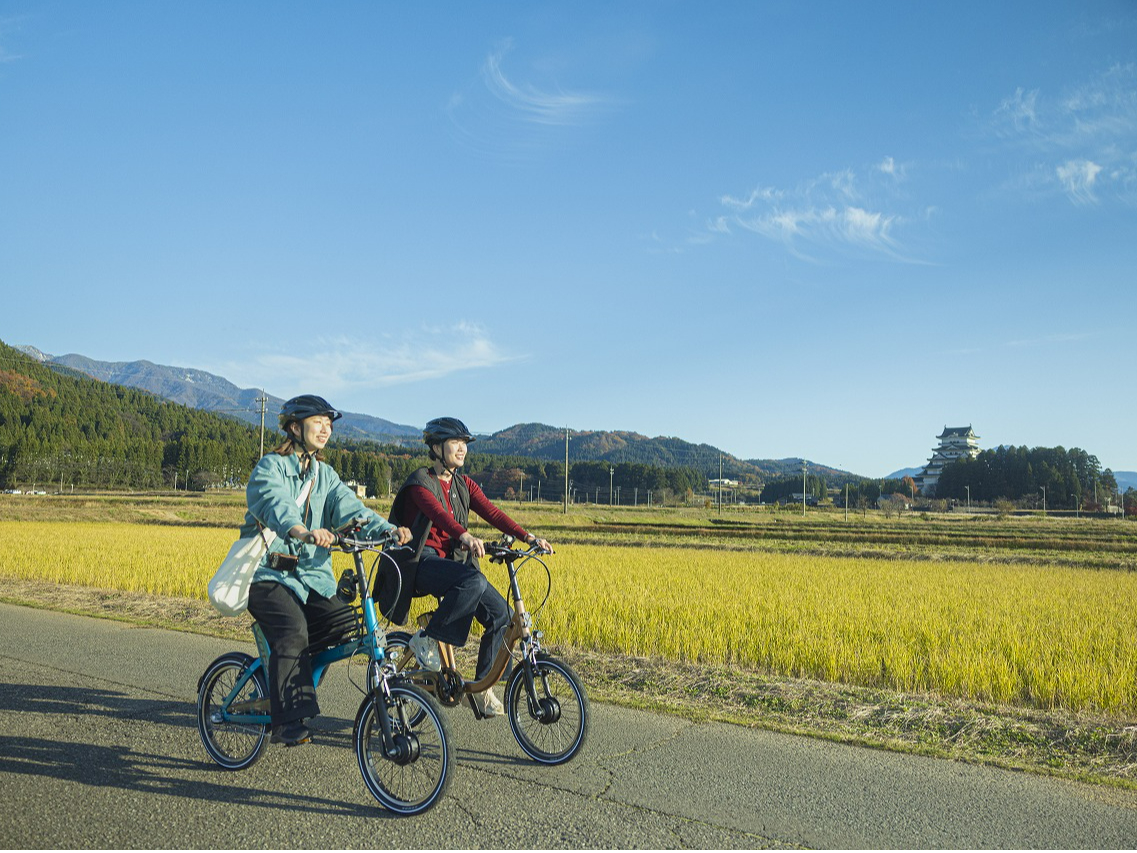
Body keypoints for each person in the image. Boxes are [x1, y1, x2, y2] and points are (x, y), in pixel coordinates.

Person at [243, 394, 411, 747]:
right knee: (293, 630)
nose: (326, 428)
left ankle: (295, 678)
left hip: (312, 579)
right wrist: (301, 531)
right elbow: (277, 504)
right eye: (318, 421)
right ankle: (287, 720)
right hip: (268, 576)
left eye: (329, 423)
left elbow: (352, 510)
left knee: (344, 624)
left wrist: (387, 530)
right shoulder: (270, 468)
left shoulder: (325, 475)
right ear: (294, 426)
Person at [378, 417, 551, 718]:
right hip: (421, 563)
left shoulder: (464, 484)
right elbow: (437, 513)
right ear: (436, 447)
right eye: (455, 443)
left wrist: (528, 536)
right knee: (472, 581)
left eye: (464, 444)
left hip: (454, 566)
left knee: (502, 617)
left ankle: (483, 689)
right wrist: (465, 535)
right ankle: (430, 638)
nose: (462, 449)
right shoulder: (420, 481)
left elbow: (492, 512)